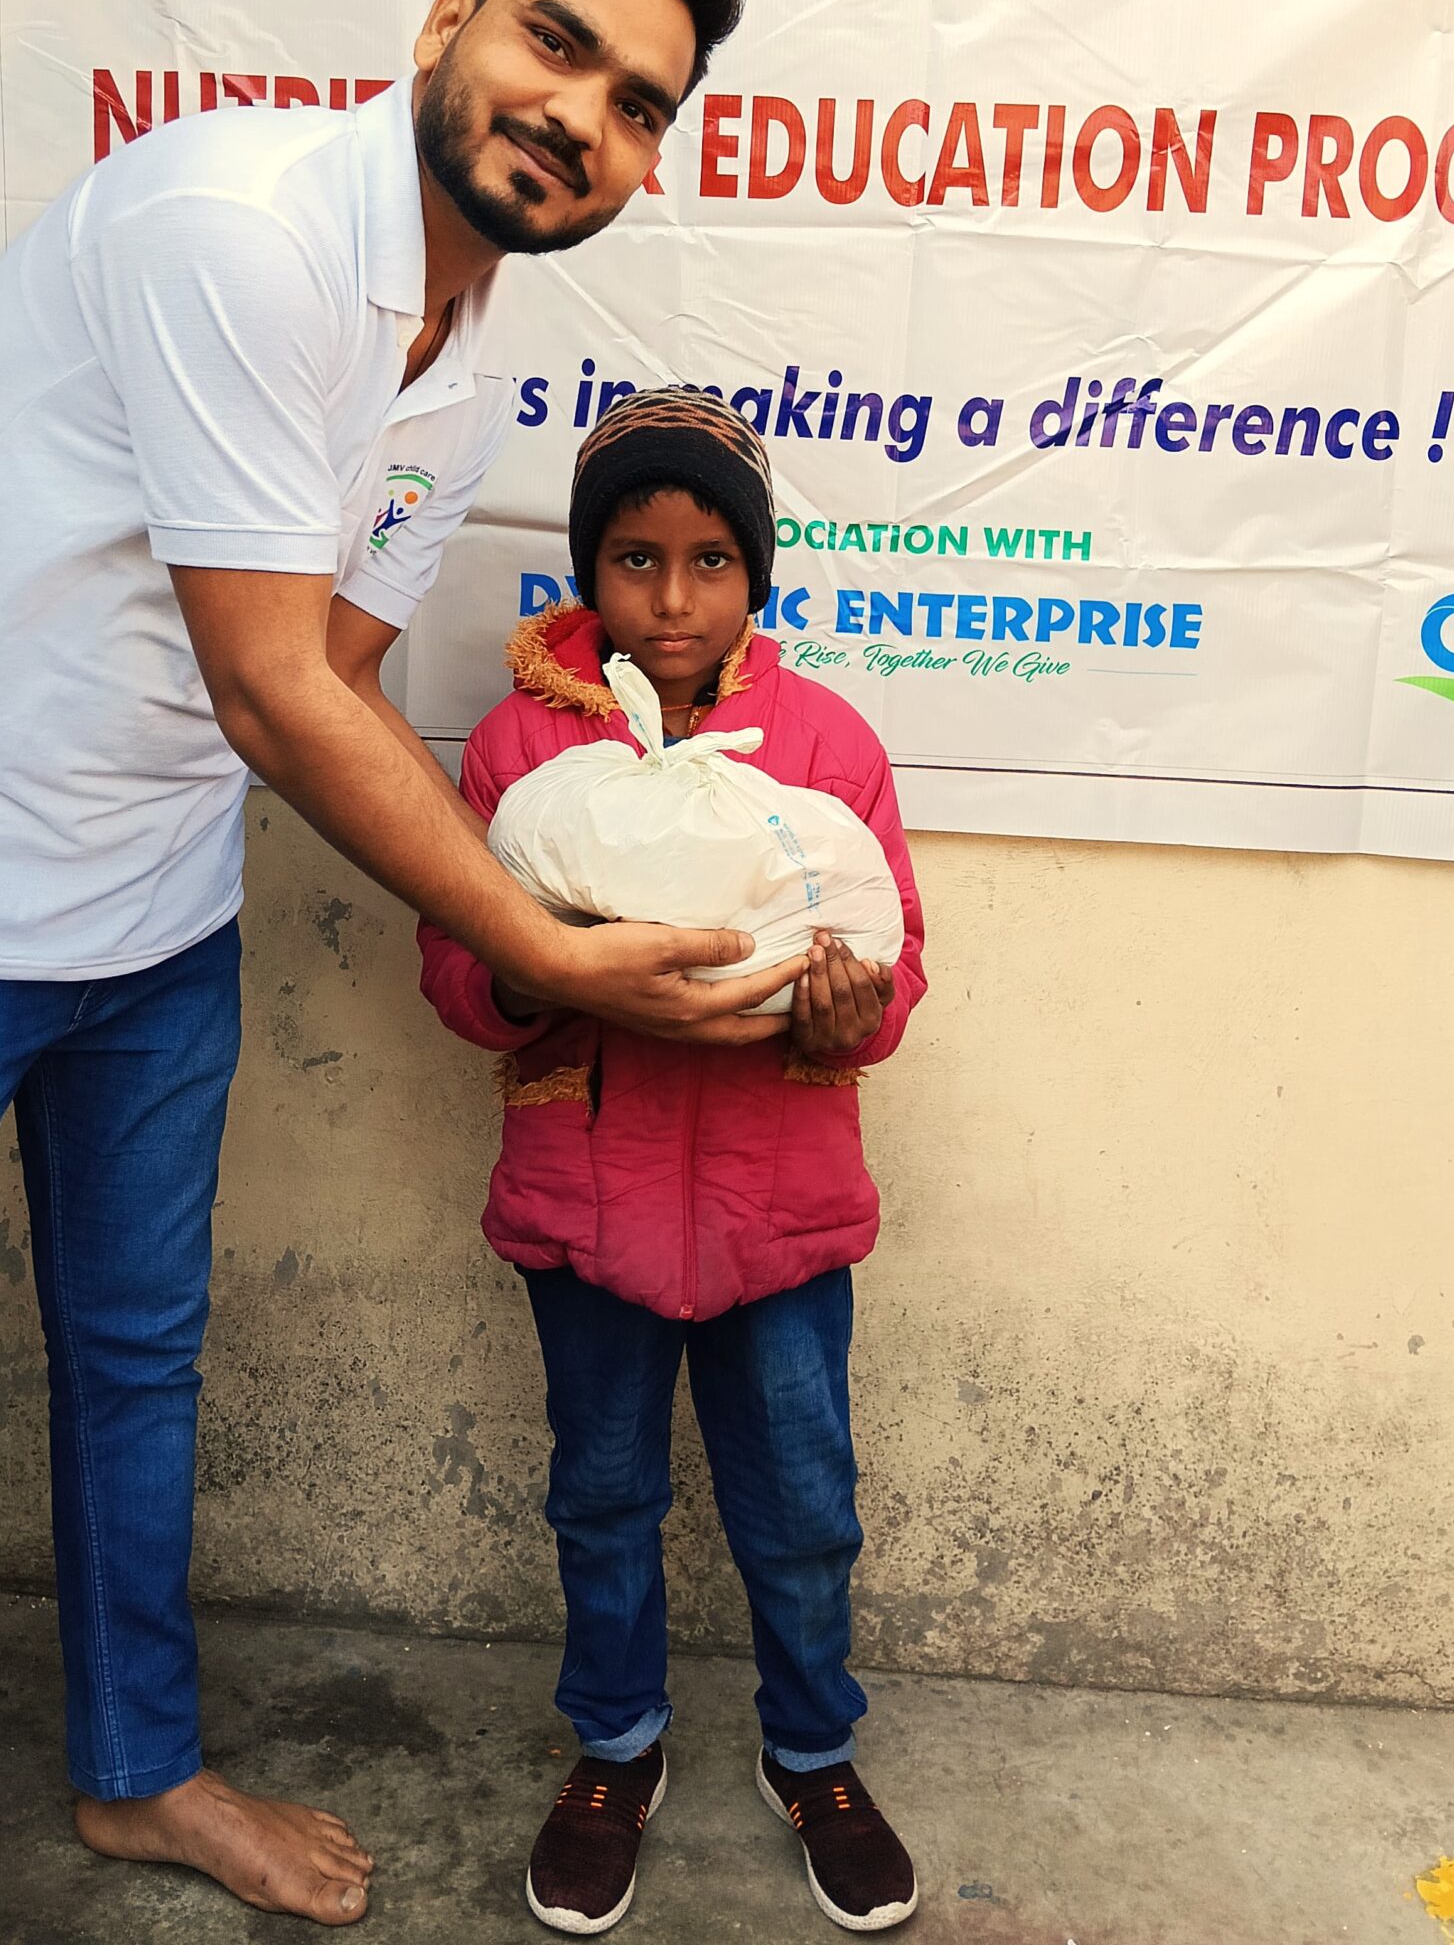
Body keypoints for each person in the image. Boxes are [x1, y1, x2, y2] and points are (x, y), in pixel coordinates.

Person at [0, 0, 804, 1945]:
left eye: (637, 102)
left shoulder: (455, 362)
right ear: (447, 22)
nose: (579, 115)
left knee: (137, 1363)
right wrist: (546, 947)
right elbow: (270, 689)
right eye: (555, 41)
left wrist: (578, 880)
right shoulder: (241, 231)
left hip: (148, 912)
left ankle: (139, 1771)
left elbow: (345, 683)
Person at [418, 389, 928, 1936]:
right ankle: (615, 1749)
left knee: (805, 1505)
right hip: (590, 1216)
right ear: (589, 570)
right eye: (636, 559)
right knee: (601, 1497)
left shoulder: (826, 745)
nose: (674, 598)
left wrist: (852, 1007)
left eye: (713, 561)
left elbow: (897, 966)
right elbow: (457, 970)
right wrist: (542, 975)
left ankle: (813, 1752)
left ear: (755, 573)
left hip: (782, 1217)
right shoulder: (522, 746)